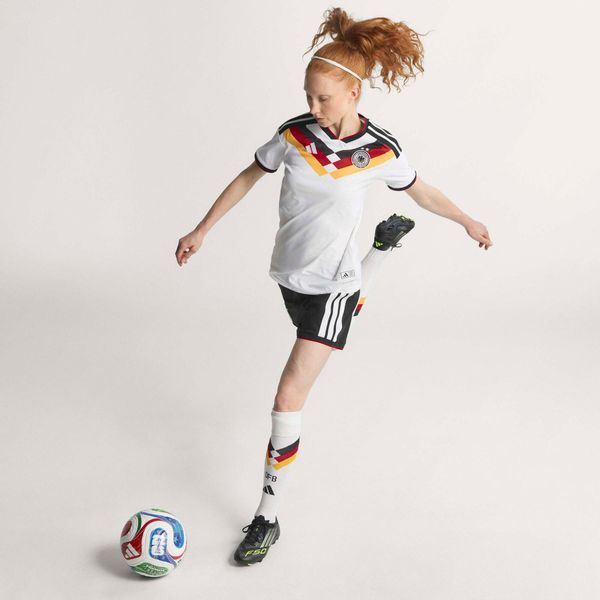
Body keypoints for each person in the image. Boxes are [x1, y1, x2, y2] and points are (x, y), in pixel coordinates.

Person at [175, 7, 493, 566]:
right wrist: (202, 228)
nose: (314, 106)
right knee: (335, 318)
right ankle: (382, 252)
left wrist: (466, 219)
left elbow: (421, 190)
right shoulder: (295, 134)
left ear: (353, 93)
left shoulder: (380, 150)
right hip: (289, 276)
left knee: (288, 397)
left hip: (332, 283)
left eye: (323, 98)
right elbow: (249, 175)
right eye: (308, 95)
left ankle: (267, 517)